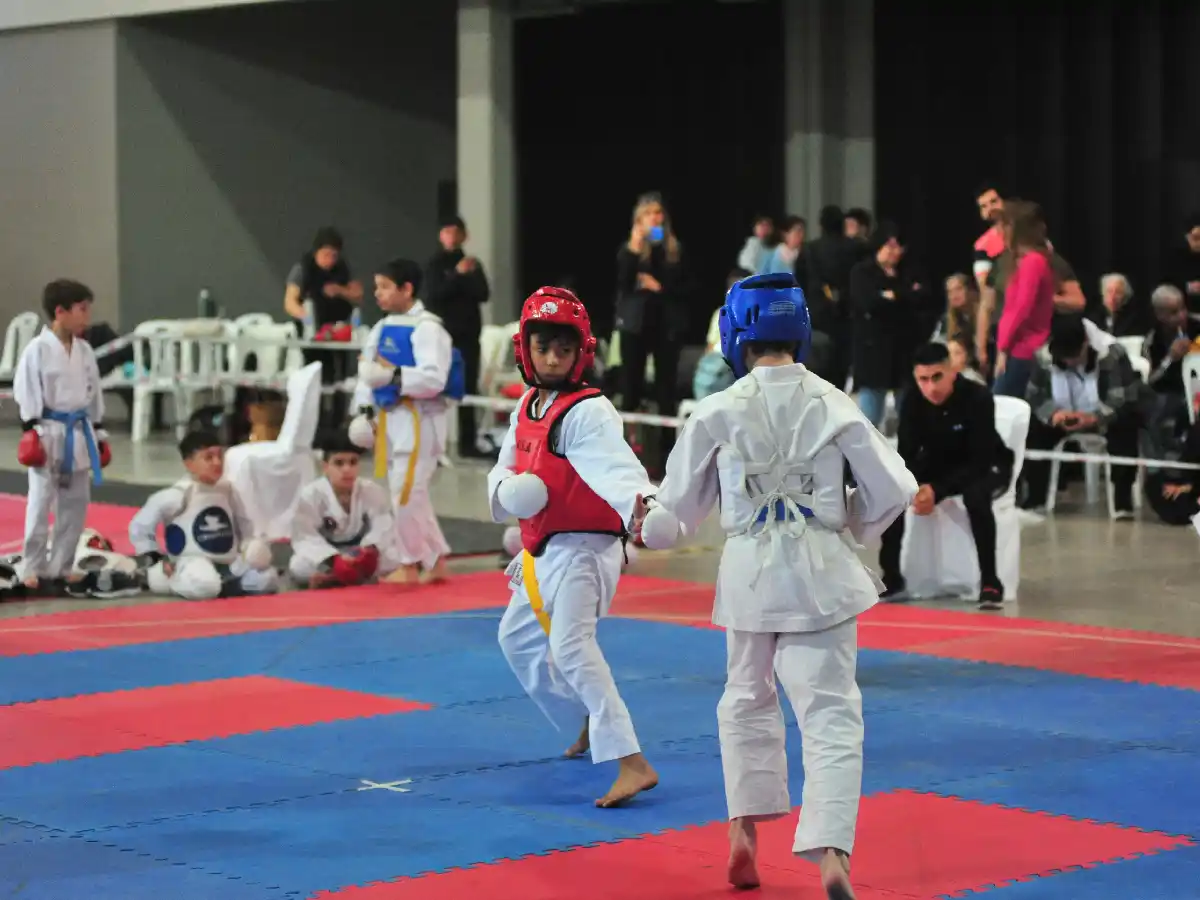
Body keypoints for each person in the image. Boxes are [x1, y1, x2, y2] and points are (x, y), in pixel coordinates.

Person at [633, 273, 917, 898]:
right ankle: (833, 854)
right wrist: (851, 524)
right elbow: (896, 488)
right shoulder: (833, 402)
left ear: (736, 334)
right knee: (831, 712)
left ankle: (742, 830)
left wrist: (644, 521)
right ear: (801, 330)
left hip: (749, 575)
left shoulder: (716, 410)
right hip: (823, 571)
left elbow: (675, 514)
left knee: (745, 700)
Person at [488, 286, 659, 809]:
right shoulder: (527, 403)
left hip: (588, 548)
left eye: (564, 349)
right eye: (543, 348)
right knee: (516, 639)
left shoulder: (589, 411)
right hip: (542, 547)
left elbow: (619, 471)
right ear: (526, 350)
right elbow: (504, 466)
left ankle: (632, 762)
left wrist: (649, 508)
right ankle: (585, 717)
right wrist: (503, 492)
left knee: (570, 646)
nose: (553, 358)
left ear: (581, 352)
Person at [349, 259, 463, 584]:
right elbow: (365, 372)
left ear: (406, 289)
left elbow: (433, 378)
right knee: (414, 495)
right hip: (391, 423)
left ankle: (410, 563)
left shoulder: (429, 328)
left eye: (384, 287)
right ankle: (437, 559)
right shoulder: (382, 327)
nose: (378, 294)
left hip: (421, 422)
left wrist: (393, 376)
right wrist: (363, 411)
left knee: (404, 493)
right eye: (377, 287)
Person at [878, 343, 1012, 608]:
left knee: (976, 496)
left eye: (937, 377)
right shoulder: (912, 400)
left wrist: (938, 490)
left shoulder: (978, 398)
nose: (931, 388)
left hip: (985, 464)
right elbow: (906, 454)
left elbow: (980, 460)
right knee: (892, 493)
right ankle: (892, 578)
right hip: (936, 464)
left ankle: (990, 581)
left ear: (952, 371)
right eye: (923, 380)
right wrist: (915, 487)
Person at [14, 279, 112, 595]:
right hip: (48, 432)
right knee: (41, 501)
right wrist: (30, 430)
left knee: (76, 503)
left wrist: (98, 431)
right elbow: (26, 391)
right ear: (60, 311)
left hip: (79, 432)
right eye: (81, 309)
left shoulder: (84, 351)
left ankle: (62, 566)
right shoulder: (37, 350)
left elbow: (94, 393)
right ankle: (32, 566)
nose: (87, 317)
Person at [129, 431, 278, 600]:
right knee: (205, 584)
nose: (217, 462)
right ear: (189, 463)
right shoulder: (176, 495)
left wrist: (251, 548)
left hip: (229, 563)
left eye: (220, 456)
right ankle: (168, 580)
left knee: (268, 580)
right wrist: (154, 558)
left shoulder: (228, 491)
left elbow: (246, 527)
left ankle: (227, 584)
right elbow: (139, 526)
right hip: (191, 562)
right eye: (208, 458)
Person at [1022, 315, 1142, 517]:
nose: (1069, 361)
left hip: (1104, 416)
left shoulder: (1111, 353)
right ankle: (1036, 498)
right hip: (1064, 414)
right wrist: (1054, 414)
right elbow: (1034, 395)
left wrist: (1094, 418)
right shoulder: (1044, 355)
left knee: (1127, 424)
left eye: (1074, 356)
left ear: (1086, 341)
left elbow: (1122, 398)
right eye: (1064, 357)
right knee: (1033, 427)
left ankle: (1122, 499)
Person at [288, 430, 402, 588]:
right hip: (328, 553)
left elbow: (383, 526)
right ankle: (344, 574)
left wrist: (370, 551)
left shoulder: (371, 490)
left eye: (353, 462)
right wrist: (334, 560)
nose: (347, 469)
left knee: (396, 555)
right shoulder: (310, 495)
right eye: (339, 463)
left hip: (360, 553)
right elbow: (305, 536)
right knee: (299, 565)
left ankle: (335, 578)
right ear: (326, 467)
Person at [282, 227, 364, 428]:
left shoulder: (342, 268)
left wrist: (339, 290)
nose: (330, 260)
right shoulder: (303, 268)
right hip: (313, 333)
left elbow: (357, 294)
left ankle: (338, 421)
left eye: (334, 255)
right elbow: (290, 302)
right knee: (317, 377)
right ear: (316, 252)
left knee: (340, 379)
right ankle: (314, 424)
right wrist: (307, 318)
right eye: (326, 255)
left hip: (338, 331)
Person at [423, 215, 490, 458]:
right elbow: (433, 296)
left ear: (464, 235)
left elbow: (483, 293)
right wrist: (457, 276)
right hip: (443, 335)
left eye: (455, 232)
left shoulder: (472, 263)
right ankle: (433, 443)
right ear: (440, 236)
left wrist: (466, 275)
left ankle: (468, 443)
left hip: (469, 335)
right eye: (446, 232)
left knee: (468, 388)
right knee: (436, 387)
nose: (450, 236)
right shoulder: (435, 264)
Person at [993, 202, 1056, 398]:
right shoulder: (1026, 262)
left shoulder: (1033, 263)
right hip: (1018, 349)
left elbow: (1021, 309)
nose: (998, 232)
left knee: (1001, 408)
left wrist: (1002, 348)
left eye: (1002, 225)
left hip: (1024, 351)